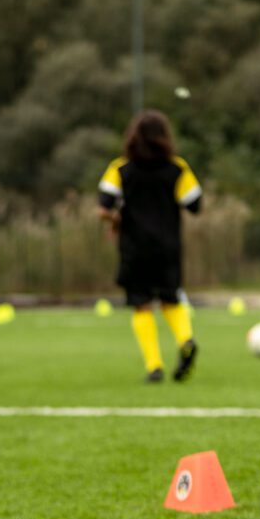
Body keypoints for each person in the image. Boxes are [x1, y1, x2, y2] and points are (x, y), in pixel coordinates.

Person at [98, 111, 202, 383]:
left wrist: (115, 218)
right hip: (168, 247)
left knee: (141, 305)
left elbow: (103, 206)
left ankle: (154, 366)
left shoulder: (120, 168)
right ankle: (186, 340)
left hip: (135, 248)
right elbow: (194, 204)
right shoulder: (177, 168)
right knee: (171, 298)